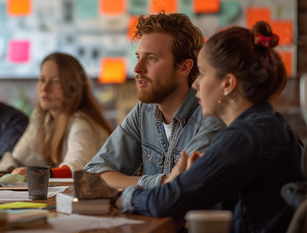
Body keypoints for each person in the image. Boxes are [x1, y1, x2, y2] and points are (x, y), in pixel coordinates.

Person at [114, 21, 304, 232]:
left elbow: (166, 201)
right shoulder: (272, 125)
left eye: (203, 73)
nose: (196, 83)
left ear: (227, 84)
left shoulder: (244, 137)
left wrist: (123, 197)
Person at [83, 12, 225, 189]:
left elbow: (184, 184)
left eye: (151, 58)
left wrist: (135, 186)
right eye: (138, 57)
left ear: (184, 67)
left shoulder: (210, 116)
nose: (137, 68)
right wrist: (161, 182)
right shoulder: (144, 111)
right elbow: (92, 174)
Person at [0, 52, 113, 178]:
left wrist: (39, 174)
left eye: (55, 81)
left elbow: (78, 168)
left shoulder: (81, 123)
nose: (45, 88)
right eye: (42, 80)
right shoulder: (43, 118)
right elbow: (17, 160)